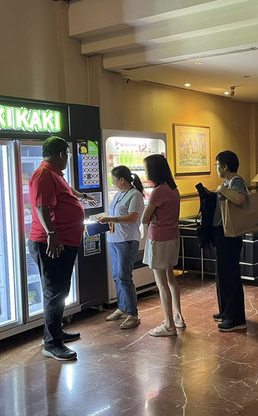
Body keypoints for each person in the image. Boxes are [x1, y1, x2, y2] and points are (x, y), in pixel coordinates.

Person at [27, 136, 95, 361]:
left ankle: (55, 332)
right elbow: (41, 207)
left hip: (64, 241)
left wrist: (82, 196)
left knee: (60, 290)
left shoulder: (54, 175)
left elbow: (66, 192)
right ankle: (52, 343)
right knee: (55, 292)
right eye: (67, 154)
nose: (68, 159)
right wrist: (52, 235)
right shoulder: (44, 175)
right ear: (61, 155)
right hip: (52, 243)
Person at [141, 154, 184, 337]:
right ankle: (178, 317)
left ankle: (169, 325)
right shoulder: (173, 189)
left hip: (158, 238)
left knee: (161, 282)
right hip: (173, 236)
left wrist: (152, 216)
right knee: (171, 278)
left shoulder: (158, 191)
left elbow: (144, 218)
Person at [97, 166, 145, 330]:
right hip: (114, 239)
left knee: (125, 276)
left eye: (114, 179)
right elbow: (115, 214)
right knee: (117, 276)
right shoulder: (118, 194)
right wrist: (103, 217)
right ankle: (122, 307)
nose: (113, 182)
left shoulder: (135, 195)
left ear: (122, 180)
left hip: (127, 240)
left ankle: (133, 313)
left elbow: (132, 217)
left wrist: (111, 218)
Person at [211, 150, 248, 332]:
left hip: (231, 236)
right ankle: (226, 310)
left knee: (230, 274)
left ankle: (236, 318)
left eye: (217, 165)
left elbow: (240, 200)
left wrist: (222, 190)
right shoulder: (226, 183)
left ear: (225, 167)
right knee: (223, 274)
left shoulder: (236, 181)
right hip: (222, 234)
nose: (216, 168)